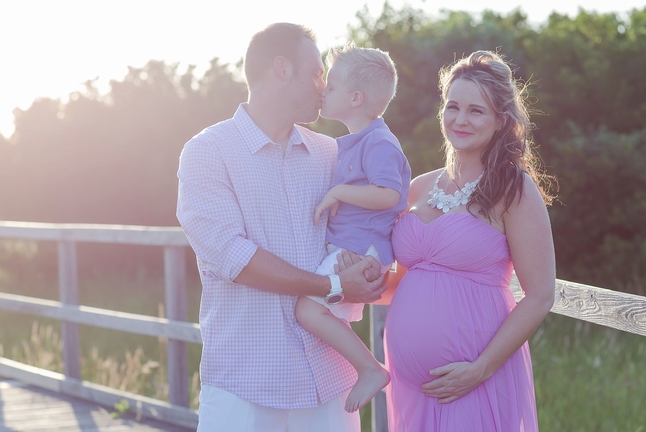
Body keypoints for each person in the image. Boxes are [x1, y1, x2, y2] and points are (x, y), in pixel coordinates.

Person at [176, 23, 387, 432]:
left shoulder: (330, 153)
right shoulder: (207, 152)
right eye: (315, 72)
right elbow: (233, 258)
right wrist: (332, 287)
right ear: (281, 68)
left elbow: (371, 217)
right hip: (246, 383)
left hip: (329, 383)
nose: (323, 86)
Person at [380, 50, 556, 431]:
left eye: (476, 111)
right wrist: (342, 284)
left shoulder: (513, 189)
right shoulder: (418, 187)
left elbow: (541, 295)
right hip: (411, 387)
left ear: (500, 121)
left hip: (474, 379)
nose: (460, 119)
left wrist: (480, 369)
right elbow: (399, 281)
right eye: (453, 106)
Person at [294, 43, 411, 413]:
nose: (323, 89)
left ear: (356, 97)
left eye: (331, 84)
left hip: (365, 251)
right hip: (350, 249)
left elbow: (391, 195)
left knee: (306, 311)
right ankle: (344, 383)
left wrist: (339, 191)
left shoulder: (379, 142)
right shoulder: (351, 143)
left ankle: (370, 369)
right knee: (321, 316)